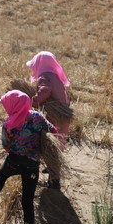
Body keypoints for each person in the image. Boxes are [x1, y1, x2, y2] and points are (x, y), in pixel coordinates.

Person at [0, 90, 56, 224]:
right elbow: (53, 131)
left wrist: (15, 149)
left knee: (1, 176)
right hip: (32, 165)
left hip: (14, 160)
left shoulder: (9, 124)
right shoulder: (37, 117)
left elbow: (5, 145)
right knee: (27, 199)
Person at [26, 51, 72, 190]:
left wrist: (33, 101)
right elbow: (66, 96)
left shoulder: (45, 76)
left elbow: (45, 91)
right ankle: (52, 168)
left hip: (55, 119)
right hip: (62, 117)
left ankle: (54, 181)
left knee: (50, 146)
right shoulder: (55, 76)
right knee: (57, 145)